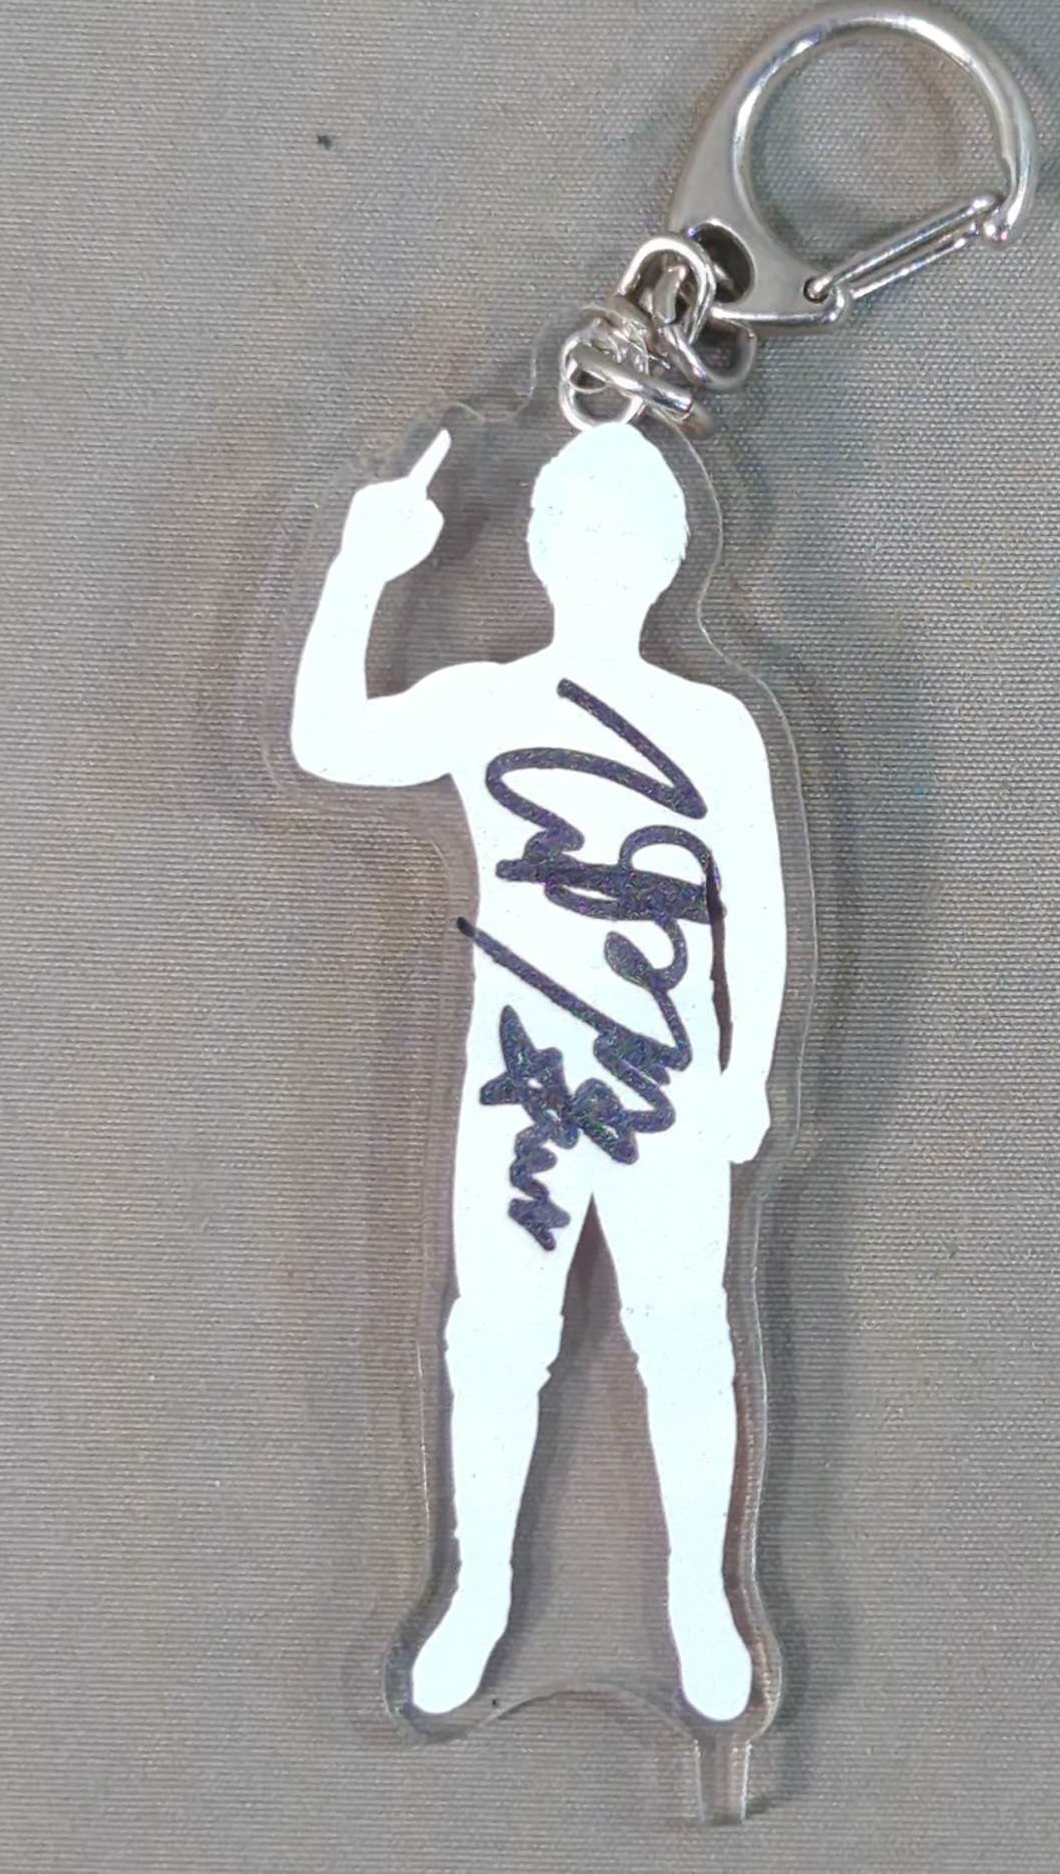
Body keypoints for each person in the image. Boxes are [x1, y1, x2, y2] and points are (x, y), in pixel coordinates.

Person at [291, 418, 787, 1720]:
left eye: (631, 532)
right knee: (497, 1336)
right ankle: (479, 1592)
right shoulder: (493, 702)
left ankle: (701, 1597)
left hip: (666, 1082)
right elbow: (327, 741)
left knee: (686, 1337)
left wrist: (748, 1070)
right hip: (523, 1082)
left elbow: (757, 905)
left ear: (669, 555)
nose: (605, 552)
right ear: (546, 546)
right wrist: (362, 566)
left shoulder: (714, 724)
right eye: (582, 526)